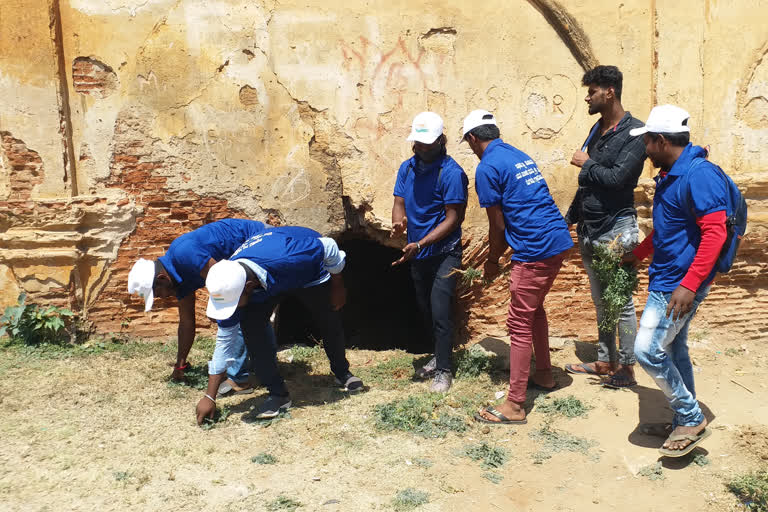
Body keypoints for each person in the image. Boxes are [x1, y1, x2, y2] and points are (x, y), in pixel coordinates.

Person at [624, 105, 727, 456]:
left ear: (662, 140)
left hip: (678, 286)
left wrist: (690, 284)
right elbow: (669, 228)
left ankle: (690, 416)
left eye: (647, 142)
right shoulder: (671, 175)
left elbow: (715, 233)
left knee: (647, 350)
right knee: (673, 347)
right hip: (667, 279)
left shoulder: (699, 176)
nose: (645, 149)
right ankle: (684, 417)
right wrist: (637, 255)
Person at [463, 110, 573, 425]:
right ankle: (544, 375)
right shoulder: (516, 154)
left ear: (473, 138)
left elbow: (496, 225)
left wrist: (491, 260)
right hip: (556, 239)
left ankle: (514, 405)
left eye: (469, 143)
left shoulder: (487, 168)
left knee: (519, 322)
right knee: (534, 310)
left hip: (535, 248)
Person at [196, 226, 364, 425]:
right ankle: (278, 394)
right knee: (253, 331)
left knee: (328, 317)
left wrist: (338, 284)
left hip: (306, 273)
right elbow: (224, 341)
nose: (230, 309)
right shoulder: (230, 283)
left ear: (248, 288)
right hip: (265, 282)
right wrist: (209, 396)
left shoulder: (293, 256)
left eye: (232, 304)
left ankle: (342, 373)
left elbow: (328, 246)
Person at [563, 65, 648, 388]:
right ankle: (604, 359)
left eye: (592, 91)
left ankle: (626, 367)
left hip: (616, 229)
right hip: (590, 227)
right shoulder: (597, 129)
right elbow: (588, 185)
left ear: (609, 91)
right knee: (601, 300)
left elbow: (617, 179)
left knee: (620, 301)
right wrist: (569, 219)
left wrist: (587, 164)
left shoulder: (636, 134)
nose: (588, 97)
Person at [127, 218, 273, 396]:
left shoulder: (184, 254)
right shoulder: (178, 280)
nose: (163, 298)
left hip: (263, 240)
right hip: (248, 253)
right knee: (248, 313)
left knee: (240, 310)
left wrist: (220, 310)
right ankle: (266, 366)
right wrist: (181, 363)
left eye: (158, 294)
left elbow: (226, 281)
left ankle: (240, 379)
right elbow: (187, 323)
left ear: (162, 279)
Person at [391, 112, 469, 393]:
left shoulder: (451, 173)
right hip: (417, 254)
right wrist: (398, 223)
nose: (422, 148)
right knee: (425, 310)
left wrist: (422, 243)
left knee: (439, 311)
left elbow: (453, 219)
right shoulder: (407, 168)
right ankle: (439, 355)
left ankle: (444, 371)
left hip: (444, 253)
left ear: (441, 140)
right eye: (418, 143)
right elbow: (399, 201)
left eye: (427, 143)